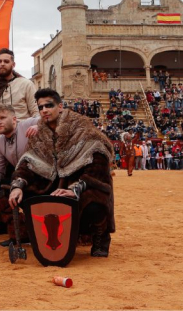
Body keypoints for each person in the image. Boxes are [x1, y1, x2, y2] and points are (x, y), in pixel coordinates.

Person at [8, 88, 115, 257]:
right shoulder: (39, 133)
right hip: (52, 185)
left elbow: (99, 159)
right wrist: (17, 185)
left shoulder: (81, 126)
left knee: (94, 199)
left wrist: (75, 189)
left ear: (60, 106)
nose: (44, 110)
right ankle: (48, 236)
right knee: (24, 196)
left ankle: (100, 237)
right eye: (40, 107)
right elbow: (27, 163)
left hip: (80, 183)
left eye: (48, 105)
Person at [0, 104, 38, 241]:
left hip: (42, 177)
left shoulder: (27, 124)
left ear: (14, 119)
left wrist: (40, 127)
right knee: (0, 189)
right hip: (20, 179)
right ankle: (20, 233)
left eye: (2, 117)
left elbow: (54, 119)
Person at [0, 48, 39, 120]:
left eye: (6, 61)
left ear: (13, 65)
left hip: (22, 127)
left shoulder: (26, 84)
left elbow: (35, 111)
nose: (2, 64)